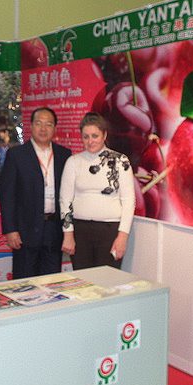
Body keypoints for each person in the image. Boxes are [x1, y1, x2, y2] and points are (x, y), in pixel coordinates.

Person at [0, 107, 72, 279]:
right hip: (25, 230)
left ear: (55, 128)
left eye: (48, 124)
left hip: (54, 229)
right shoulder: (16, 155)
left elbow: (69, 195)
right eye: (39, 123)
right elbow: (7, 196)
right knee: (24, 281)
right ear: (31, 126)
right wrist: (10, 230)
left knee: (51, 281)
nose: (43, 128)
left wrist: (68, 230)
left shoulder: (64, 155)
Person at [59, 112, 135, 270]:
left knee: (108, 280)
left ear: (104, 135)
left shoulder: (121, 161)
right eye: (85, 137)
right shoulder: (73, 162)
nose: (90, 141)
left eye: (95, 136)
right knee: (83, 280)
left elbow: (129, 202)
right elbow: (65, 200)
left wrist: (123, 236)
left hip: (111, 231)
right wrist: (68, 234)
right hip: (80, 231)